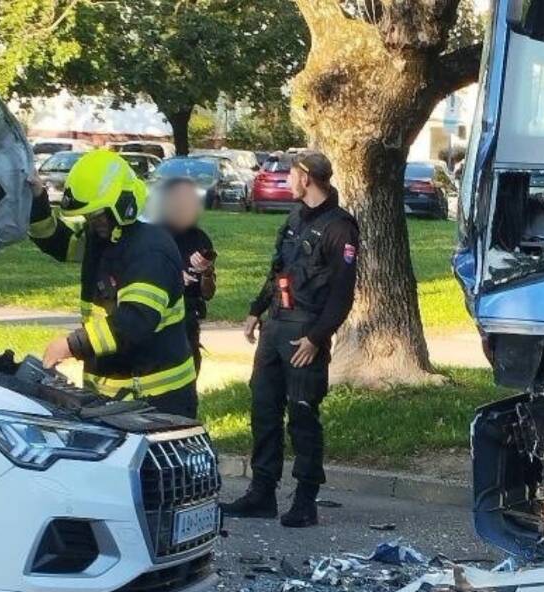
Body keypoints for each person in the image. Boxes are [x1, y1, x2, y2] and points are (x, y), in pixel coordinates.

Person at [221, 151, 359, 527]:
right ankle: (261, 493)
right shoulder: (294, 217)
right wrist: (255, 310)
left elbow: (343, 295)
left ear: (308, 177)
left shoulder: (340, 228)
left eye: (292, 174)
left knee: (302, 415)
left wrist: (316, 338)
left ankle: (304, 499)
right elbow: (277, 270)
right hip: (276, 326)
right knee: (264, 410)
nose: (286, 180)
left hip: (305, 333)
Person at [27, 149, 198, 418]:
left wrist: (70, 345)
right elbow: (57, 241)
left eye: (97, 215)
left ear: (122, 204)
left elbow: (134, 322)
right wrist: (37, 198)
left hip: (156, 399)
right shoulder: (104, 238)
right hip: (113, 393)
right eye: (89, 217)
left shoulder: (150, 250)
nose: (93, 223)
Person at [156, 177, 217, 376]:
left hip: (189, 317)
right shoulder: (154, 236)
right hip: (159, 319)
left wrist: (206, 273)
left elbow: (208, 294)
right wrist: (174, 278)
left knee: (190, 374)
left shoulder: (200, 238)